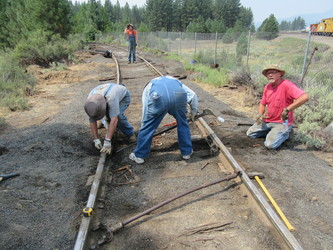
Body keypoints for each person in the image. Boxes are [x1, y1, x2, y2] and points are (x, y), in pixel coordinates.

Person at [129, 76, 199, 164]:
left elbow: (146, 107)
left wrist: (145, 123)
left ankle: (139, 156)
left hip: (159, 97)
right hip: (178, 95)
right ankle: (187, 153)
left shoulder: (150, 86)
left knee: (148, 127)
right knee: (183, 123)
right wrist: (193, 113)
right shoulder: (176, 81)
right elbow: (193, 96)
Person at [246, 64, 309, 149]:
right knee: (250, 133)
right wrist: (260, 114)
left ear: (280, 74)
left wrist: (288, 109)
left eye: (273, 72)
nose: (270, 75)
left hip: (282, 123)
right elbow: (262, 103)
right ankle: (273, 132)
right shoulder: (268, 87)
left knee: (270, 145)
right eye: (268, 73)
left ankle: (286, 133)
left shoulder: (287, 85)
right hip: (268, 120)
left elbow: (304, 97)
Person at [84, 83, 136, 154]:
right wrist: (96, 139)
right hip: (105, 95)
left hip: (123, 97)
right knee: (107, 114)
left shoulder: (111, 98)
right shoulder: (90, 101)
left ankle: (130, 133)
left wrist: (107, 141)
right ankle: (107, 124)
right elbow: (92, 119)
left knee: (119, 116)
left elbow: (114, 119)